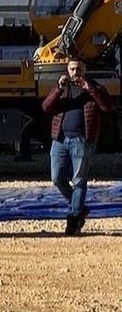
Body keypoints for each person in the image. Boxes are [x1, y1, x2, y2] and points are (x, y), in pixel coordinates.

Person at [41, 58, 112, 236]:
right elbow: (46, 107)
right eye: (72, 69)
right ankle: (79, 207)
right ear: (67, 70)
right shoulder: (62, 88)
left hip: (82, 140)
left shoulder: (94, 87)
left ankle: (74, 219)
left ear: (85, 69)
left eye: (78, 69)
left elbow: (107, 106)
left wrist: (91, 89)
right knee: (57, 178)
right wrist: (58, 89)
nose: (75, 73)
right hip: (60, 139)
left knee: (79, 180)